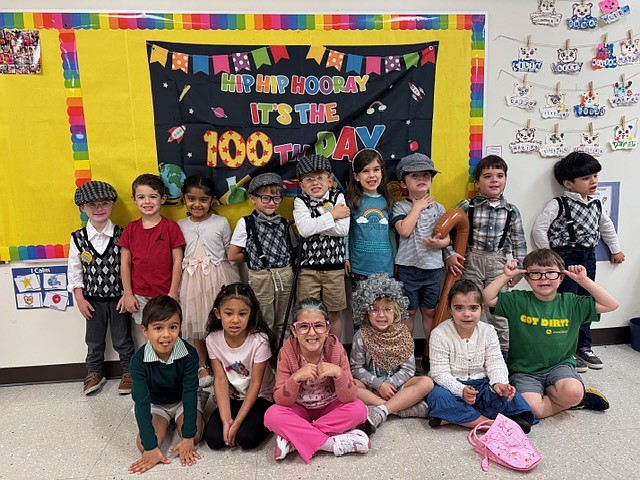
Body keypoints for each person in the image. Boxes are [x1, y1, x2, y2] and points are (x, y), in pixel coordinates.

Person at [483, 249, 618, 419]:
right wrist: (505, 276)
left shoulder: (571, 302)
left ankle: (573, 398)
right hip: (524, 370)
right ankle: (572, 402)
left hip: (560, 366)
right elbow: (487, 298)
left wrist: (583, 280)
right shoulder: (517, 300)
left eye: (550, 273)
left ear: (561, 277)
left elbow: (611, 304)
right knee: (532, 409)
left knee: (573, 392)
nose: (544, 278)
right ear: (527, 278)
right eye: (536, 273)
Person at [532, 152, 625, 371]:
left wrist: (616, 250)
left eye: (595, 176)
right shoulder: (558, 204)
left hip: (588, 257)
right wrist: (549, 257)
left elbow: (607, 228)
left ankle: (584, 345)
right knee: (566, 302)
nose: (593, 181)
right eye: (586, 178)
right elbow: (539, 229)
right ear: (568, 184)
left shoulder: (596, 204)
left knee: (586, 301)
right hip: (564, 257)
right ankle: (566, 348)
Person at [264, 298, 370, 463]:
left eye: (318, 326)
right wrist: (296, 378)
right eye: (303, 326)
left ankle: (295, 440)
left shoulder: (335, 348)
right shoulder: (287, 352)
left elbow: (350, 397)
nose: (312, 333)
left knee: (359, 409)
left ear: (327, 328)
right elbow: (280, 399)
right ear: (294, 330)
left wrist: (339, 373)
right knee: (272, 415)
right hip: (299, 410)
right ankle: (329, 443)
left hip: (329, 408)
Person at [427, 280, 535, 432]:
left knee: (511, 397)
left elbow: (496, 362)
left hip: (482, 385)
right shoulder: (439, 333)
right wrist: (461, 390)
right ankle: (489, 424)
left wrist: (498, 384)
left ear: (482, 309)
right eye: (459, 308)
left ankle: (455, 418)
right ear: (450, 309)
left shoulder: (488, 331)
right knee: (439, 398)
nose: (466, 314)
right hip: (453, 385)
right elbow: (439, 373)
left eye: (473, 308)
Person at [446, 155, 527, 355]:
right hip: (470, 260)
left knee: (498, 309)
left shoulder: (511, 210)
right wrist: (449, 254)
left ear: (505, 180)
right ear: (477, 182)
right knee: (470, 304)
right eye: (488, 176)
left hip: (498, 262)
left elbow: (519, 240)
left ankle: (502, 353)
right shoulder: (467, 206)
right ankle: (471, 350)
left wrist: (519, 270)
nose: (494, 180)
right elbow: (446, 231)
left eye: (499, 175)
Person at [67, 180, 135, 395]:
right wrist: (79, 298)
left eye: (104, 203)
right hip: (92, 300)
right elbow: (74, 270)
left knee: (123, 339)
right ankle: (94, 372)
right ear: (82, 207)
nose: (99, 209)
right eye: (92, 204)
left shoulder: (122, 234)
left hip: (119, 299)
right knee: (94, 340)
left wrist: (127, 293)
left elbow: (131, 266)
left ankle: (129, 372)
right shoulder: (78, 238)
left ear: (112, 204)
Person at [129, 296, 204, 475]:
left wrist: (187, 437)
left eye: (173, 327)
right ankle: (165, 424)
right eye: (158, 328)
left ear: (179, 327)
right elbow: (141, 402)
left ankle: (180, 424)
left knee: (195, 435)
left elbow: (189, 393)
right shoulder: (138, 361)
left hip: (182, 401)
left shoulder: (190, 354)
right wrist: (150, 448)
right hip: (157, 404)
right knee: (143, 444)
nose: (166, 335)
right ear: (145, 330)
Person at [350, 274, 433, 434]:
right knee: (350, 386)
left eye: (387, 309)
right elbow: (356, 368)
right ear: (365, 312)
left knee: (426, 382)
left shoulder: (403, 334)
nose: (381, 315)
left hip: (398, 386)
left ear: (396, 311)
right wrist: (379, 385)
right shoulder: (361, 336)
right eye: (375, 310)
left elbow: (408, 369)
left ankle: (380, 410)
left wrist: (390, 385)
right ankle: (399, 408)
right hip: (371, 387)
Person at [391, 153, 450, 372]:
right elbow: (404, 231)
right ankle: (407, 358)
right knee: (408, 313)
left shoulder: (439, 208)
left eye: (426, 175)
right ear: (403, 183)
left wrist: (438, 243)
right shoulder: (400, 207)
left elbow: (447, 239)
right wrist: (417, 207)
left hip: (432, 269)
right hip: (408, 269)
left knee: (430, 312)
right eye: (414, 176)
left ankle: (431, 354)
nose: (421, 179)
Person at [178, 176, 239, 388]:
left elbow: (229, 252)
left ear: (212, 200)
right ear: (184, 199)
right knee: (197, 323)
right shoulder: (180, 225)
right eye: (191, 199)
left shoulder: (220, 222)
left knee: (222, 321)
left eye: (203, 199)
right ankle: (202, 364)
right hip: (192, 280)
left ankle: (225, 363)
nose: (197, 204)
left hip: (218, 277)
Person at [203, 283, 276, 450]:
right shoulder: (212, 339)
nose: (235, 320)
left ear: (250, 314)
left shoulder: (260, 340)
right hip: (233, 396)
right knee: (214, 440)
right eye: (229, 313)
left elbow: (256, 383)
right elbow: (220, 380)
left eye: (242, 314)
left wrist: (237, 423)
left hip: (260, 396)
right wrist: (226, 420)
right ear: (218, 313)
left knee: (246, 438)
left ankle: (262, 418)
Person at [119, 173, 185, 348]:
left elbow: (178, 260)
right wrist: (128, 293)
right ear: (134, 200)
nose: (147, 201)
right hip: (139, 294)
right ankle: (152, 363)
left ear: (163, 199)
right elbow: (125, 263)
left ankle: (174, 363)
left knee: (170, 332)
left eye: (153, 196)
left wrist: (173, 291)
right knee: (149, 334)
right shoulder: (130, 229)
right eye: (141, 197)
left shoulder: (171, 227)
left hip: (166, 293)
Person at [228, 173, 294, 342]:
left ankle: (283, 353)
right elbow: (233, 254)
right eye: (265, 198)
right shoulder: (246, 223)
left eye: (276, 198)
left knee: (285, 320)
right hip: (261, 276)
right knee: (264, 319)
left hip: (285, 274)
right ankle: (265, 354)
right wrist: (255, 256)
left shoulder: (284, 223)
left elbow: (292, 249)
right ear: (252, 198)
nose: (272, 203)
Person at [293, 154, 350, 338]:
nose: (315, 182)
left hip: (334, 269)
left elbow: (343, 230)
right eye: (309, 179)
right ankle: (310, 349)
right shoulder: (300, 201)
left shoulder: (338, 196)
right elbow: (304, 230)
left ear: (329, 180)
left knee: (333, 313)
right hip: (308, 269)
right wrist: (332, 215)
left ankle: (333, 349)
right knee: (307, 314)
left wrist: (315, 223)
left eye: (320, 177)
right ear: (302, 185)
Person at [345, 148, 395, 290]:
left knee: (384, 303)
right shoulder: (352, 201)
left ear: (382, 172)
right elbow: (346, 232)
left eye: (376, 170)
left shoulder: (388, 201)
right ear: (356, 176)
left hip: (385, 266)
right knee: (361, 303)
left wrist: (395, 258)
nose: (372, 175)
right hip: (360, 266)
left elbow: (391, 232)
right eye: (365, 171)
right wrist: (346, 257)